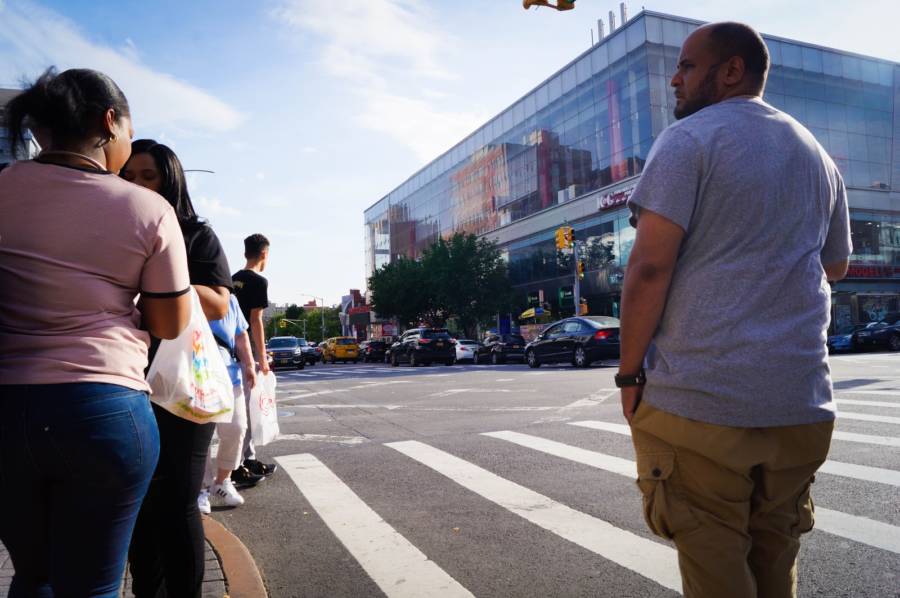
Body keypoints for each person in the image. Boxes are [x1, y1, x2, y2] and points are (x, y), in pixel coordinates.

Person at [616, 22, 851, 598]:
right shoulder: (819, 156)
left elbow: (649, 268)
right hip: (799, 405)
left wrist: (628, 375)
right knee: (776, 564)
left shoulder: (690, 140)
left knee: (715, 566)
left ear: (731, 70)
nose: (675, 78)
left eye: (688, 66)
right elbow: (836, 265)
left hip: (702, 403)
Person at [0, 68, 191, 597]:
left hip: (7, 409)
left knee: (33, 574)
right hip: (103, 412)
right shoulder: (147, 209)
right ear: (110, 121)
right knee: (92, 584)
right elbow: (169, 323)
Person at [121, 140, 233, 597]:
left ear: (171, 180)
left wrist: (170, 268)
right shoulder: (112, 230)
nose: (137, 186)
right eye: (128, 177)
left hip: (183, 383)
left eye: (148, 177)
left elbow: (219, 305)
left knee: (179, 501)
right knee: (140, 505)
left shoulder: (196, 235)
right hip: (126, 378)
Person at [198, 293, 259, 513]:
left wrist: (250, 364)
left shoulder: (230, 299)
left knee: (237, 427)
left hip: (229, 376)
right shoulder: (186, 293)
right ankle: (201, 487)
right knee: (200, 436)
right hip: (196, 377)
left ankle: (222, 480)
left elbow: (241, 334)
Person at [231, 234, 279, 482]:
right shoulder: (259, 281)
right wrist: (262, 358)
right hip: (245, 352)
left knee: (243, 409)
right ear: (264, 254)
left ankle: (247, 459)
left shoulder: (233, 279)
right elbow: (255, 320)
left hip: (227, 350)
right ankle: (237, 465)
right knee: (247, 411)